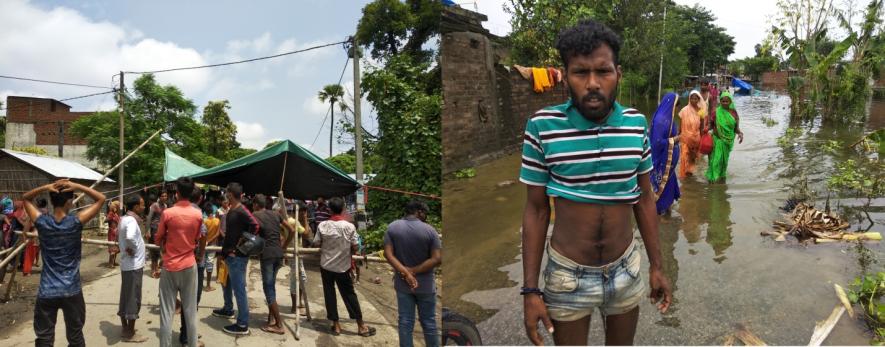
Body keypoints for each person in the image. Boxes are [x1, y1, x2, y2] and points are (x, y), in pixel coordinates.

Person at [519, 19, 672, 345]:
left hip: (626, 269)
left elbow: (644, 199)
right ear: (566, 76)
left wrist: (657, 266)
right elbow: (535, 211)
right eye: (580, 72)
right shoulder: (542, 127)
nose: (592, 83)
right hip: (566, 276)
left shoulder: (635, 125)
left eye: (602, 71)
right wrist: (530, 290)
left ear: (618, 73)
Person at [22, 179, 106, 347]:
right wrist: (78, 186)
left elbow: (25, 198)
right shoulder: (76, 222)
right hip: (71, 291)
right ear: (70, 201)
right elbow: (101, 199)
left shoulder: (43, 222)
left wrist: (45, 187)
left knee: (44, 339)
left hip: (47, 291)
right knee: (75, 338)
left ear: (52, 201)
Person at [313, 197, 376, 337]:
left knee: (329, 294)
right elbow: (355, 246)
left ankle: (336, 326)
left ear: (329, 210)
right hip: (342, 267)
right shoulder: (349, 226)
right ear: (343, 209)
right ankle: (361, 326)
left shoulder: (323, 225)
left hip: (326, 266)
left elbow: (316, 243)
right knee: (349, 295)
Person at [383, 200, 442, 347]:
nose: (425, 216)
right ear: (419, 212)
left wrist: (406, 273)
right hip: (426, 286)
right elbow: (437, 259)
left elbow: (388, 254)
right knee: (429, 322)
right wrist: (413, 271)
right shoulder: (430, 231)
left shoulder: (392, 227)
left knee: (405, 322)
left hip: (403, 285)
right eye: (425, 213)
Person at [155, 177, 203, 347]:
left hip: (169, 266)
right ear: (191, 194)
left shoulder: (167, 213)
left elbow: (158, 238)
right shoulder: (198, 214)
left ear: (176, 193)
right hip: (189, 264)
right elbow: (198, 239)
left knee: (167, 312)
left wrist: (165, 244)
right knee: (190, 311)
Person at [213, 182, 258, 335]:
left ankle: (242, 324)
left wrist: (242, 245)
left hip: (237, 257)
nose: (225, 194)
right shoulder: (233, 209)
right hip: (229, 256)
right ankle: (228, 309)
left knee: (239, 290)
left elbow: (255, 225)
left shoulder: (241, 210)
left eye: (227, 192)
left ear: (231, 194)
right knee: (226, 283)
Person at [252, 193, 295, 334]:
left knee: (268, 289)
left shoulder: (256, 215)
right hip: (278, 254)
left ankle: (279, 324)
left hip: (268, 255)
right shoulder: (276, 214)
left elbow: (251, 234)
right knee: (271, 287)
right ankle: (270, 319)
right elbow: (292, 230)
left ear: (256, 205)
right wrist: (284, 246)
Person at [117, 194, 148, 342]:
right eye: (142, 204)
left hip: (128, 265)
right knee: (134, 298)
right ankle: (130, 333)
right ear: (135, 207)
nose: (144, 207)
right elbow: (129, 237)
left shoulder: (124, 219)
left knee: (126, 296)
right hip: (133, 265)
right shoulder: (131, 221)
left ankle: (125, 328)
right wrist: (133, 248)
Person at [650, 92, 681, 215]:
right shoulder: (660, 121)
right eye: (676, 106)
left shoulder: (669, 119)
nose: (677, 109)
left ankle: (667, 209)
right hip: (662, 162)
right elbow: (657, 143)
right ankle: (659, 212)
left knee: (668, 185)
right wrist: (675, 139)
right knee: (661, 187)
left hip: (669, 165)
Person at [706, 91, 744, 183]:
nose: (725, 103)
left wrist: (740, 134)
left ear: (730, 102)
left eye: (727, 101)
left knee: (724, 162)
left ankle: (722, 177)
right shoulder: (716, 112)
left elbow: (736, 128)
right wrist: (705, 129)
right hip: (716, 140)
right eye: (723, 101)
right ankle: (713, 180)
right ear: (720, 101)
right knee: (715, 161)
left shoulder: (734, 113)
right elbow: (711, 125)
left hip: (727, 142)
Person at [678, 90, 705, 178]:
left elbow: (702, 126)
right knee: (684, 156)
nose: (694, 100)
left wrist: (702, 137)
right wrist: (678, 135)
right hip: (685, 137)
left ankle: (690, 172)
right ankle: (683, 176)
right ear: (689, 99)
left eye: (695, 98)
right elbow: (680, 124)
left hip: (696, 138)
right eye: (692, 98)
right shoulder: (684, 110)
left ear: (699, 99)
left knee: (693, 157)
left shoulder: (701, 111)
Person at [146, 190, 169, 278]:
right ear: (159, 197)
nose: (164, 197)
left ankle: (157, 268)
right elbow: (149, 218)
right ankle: (153, 270)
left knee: (161, 250)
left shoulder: (165, 206)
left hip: (162, 231)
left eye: (165, 196)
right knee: (154, 251)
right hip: (154, 230)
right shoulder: (154, 205)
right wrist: (147, 231)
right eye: (162, 196)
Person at [106, 200, 121, 268]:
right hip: (112, 232)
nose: (117, 208)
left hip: (116, 233)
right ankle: (110, 263)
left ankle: (113, 262)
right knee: (112, 248)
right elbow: (106, 220)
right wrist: (110, 215)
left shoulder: (116, 214)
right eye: (117, 207)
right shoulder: (111, 213)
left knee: (116, 248)